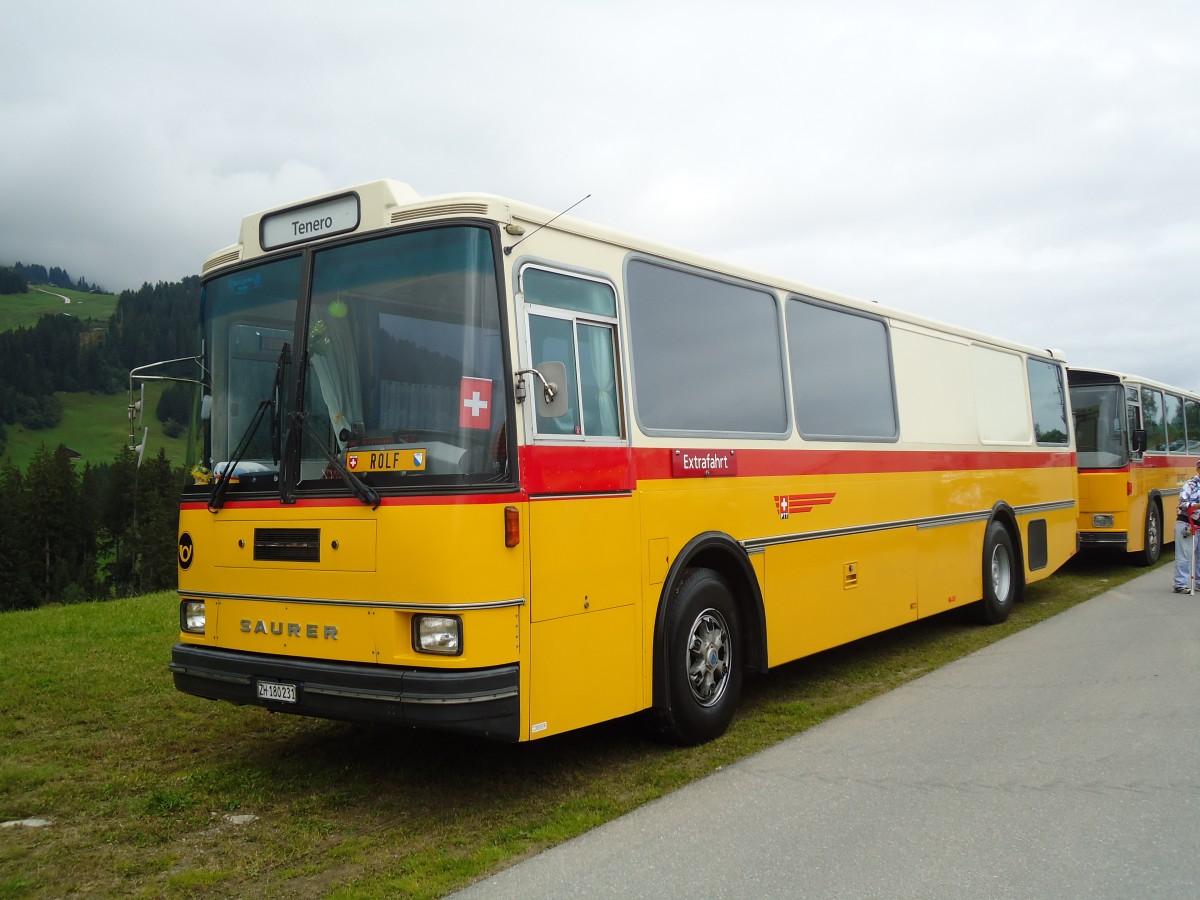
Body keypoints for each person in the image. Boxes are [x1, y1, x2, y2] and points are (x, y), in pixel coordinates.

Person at [1172, 459, 1200, 592]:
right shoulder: (1191, 484)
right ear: (1198, 469)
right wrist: (1197, 505)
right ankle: (1180, 584)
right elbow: (1182, 503)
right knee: (1185, 554)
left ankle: (1199, 583)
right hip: (1187, 523)